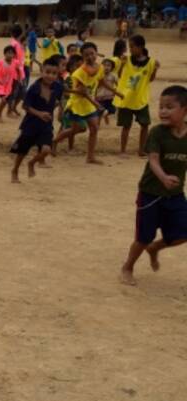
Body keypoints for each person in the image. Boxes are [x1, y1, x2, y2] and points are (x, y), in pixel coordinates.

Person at [120, 85, 187, 286]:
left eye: (169, 107)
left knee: (183, 234)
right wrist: (164, 178)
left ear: (185, 110)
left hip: (175, 195)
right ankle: (128, 267)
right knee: (143, 237)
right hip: (150, 194)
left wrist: (171, 183)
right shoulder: (157, 133)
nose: (163, 111)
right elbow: (154, 161)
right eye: (161, 107)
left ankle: (155, 248)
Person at [53, 42, 123, 164]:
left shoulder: (100, 67)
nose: (90, 57)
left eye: (92, 53)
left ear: (96, 53)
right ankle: (54, 141)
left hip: (89, 104)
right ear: (83, 57)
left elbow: (101, 82)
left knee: (94, 128)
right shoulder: (79, 73)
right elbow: (82, 93)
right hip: (77, 105)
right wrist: (96, 103)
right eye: (86, 55)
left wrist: (116, 92)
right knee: (77, 129)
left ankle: (90, 157)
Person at [10, 57, 63, 183]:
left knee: (46, 150)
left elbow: (58, 101)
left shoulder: (58, 87)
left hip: (46, 125)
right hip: (31, 124)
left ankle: (32, 163)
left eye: (54, 73)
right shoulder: (34, 88)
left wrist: (54, 110)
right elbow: (25, 106)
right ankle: (15, 170)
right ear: (41, 71)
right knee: (22, 151)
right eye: (48, 72)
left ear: (57, 74)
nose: (50, 76)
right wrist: (40, 113)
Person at [114, 35, 160, 156]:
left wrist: (155, 69)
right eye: (130, 47)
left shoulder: (151, 62)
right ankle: (123, 150)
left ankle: (141, 149)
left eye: (132, 47)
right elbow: (119, 75)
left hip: (141, 99)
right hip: (126, 98)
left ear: (141, 47)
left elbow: (150, 79)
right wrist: (122, 64)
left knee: (145, 124)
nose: (130, 49)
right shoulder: (126, 60)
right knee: (126, 126)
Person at [0, 46, 22, 122]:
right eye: (8, 53)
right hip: (0, 85)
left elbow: (18, 70)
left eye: (12, 53)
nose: (10, 55)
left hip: (8, 86)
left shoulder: (15, 62)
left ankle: (0, 112)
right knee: (4, 100)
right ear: (4, 54)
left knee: (8, 100)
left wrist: (19, 79)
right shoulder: (0, 62)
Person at [9, 25, 27, 118]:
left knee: (21, 93)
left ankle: (13, 108)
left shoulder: (16, 43)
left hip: (20, 70)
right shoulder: (15, 44)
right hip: (16, 71)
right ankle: (9, 110)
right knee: (14, 92)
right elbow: (14, 58)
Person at [96, 59, 118, 125]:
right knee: (99, 113)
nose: (106, 67)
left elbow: (118, 84)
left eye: (108, 65)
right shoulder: (99, 75)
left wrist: (116, 92)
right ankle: (97, 125)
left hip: (110, 97)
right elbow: (95, 86)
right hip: (100, 97)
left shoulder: (113, 75)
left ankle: (105, 114)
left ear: (112, 68)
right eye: (104, 65)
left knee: (112, 110)